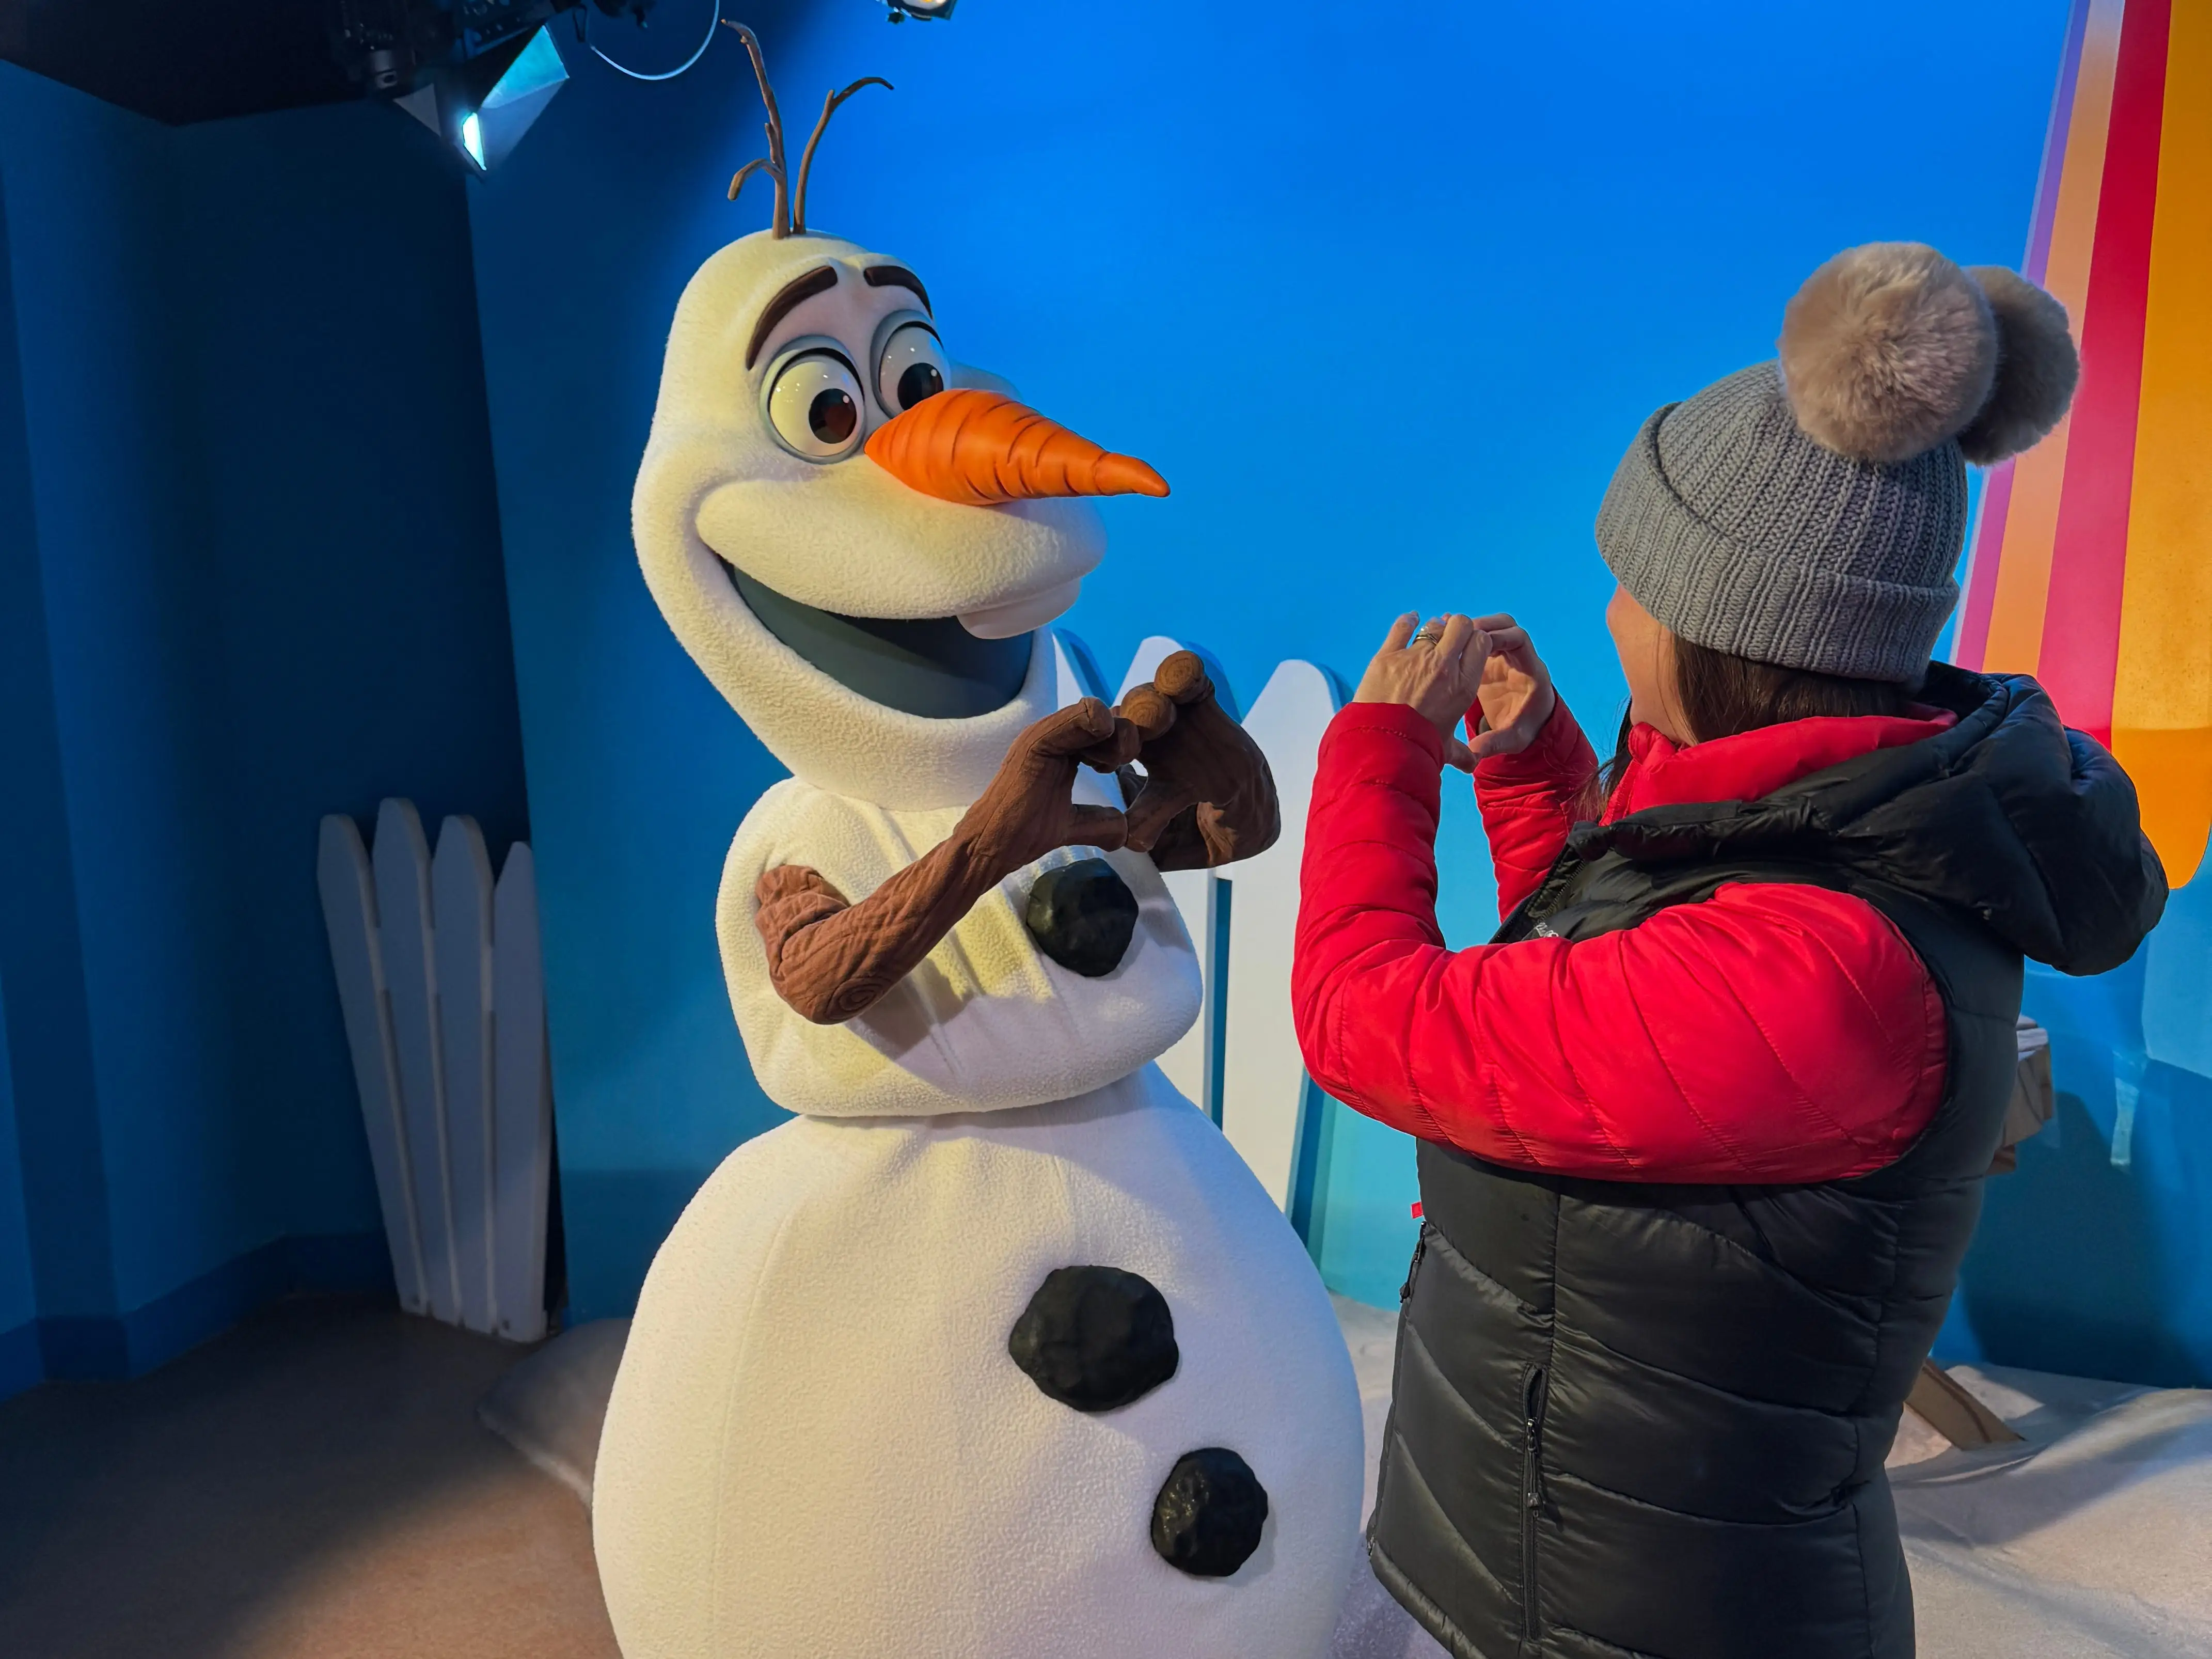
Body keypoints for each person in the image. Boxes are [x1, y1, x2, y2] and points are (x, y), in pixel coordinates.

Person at [1290, 243, 2168, 1659]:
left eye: (1637, 585)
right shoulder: (1825, 849)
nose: (1608, 613)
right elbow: (1600, 1018)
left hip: (1631, 1613)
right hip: (1563, 1559)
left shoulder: (1822, 961)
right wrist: (1530, 770)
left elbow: (1363, 1015)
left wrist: (1380, 752)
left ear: (1738, 632)